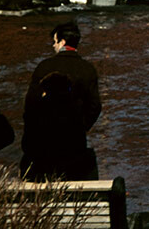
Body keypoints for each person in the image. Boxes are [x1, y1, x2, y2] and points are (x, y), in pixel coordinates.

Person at [21, 22, 101, 181]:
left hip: (43, 143)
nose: (53, 45)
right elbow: (94, 106)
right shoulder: (87, 69)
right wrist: (81, 126)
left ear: (62, 42)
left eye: (55, 41)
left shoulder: (44, 67)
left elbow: (30, 104)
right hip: (74, 142)